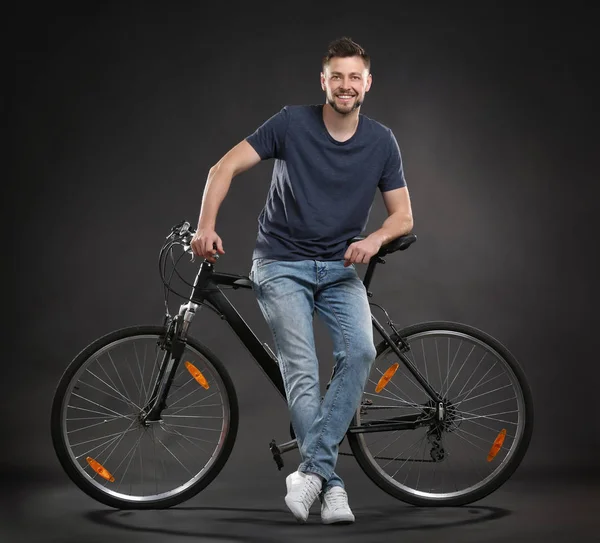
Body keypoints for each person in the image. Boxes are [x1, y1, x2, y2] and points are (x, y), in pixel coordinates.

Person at [191, 36, 414, 524]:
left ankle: (312, 473)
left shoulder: (381, 141)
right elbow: (223, 167)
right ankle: (331, 483)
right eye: (338, 76)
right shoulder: (291, 122)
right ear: (324, 81)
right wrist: (206, 225)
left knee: (359, 352)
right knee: (303, 369)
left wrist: (373, 240)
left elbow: (403, 217)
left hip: (339, 270)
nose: (346, 85)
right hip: (280, 263)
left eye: (355, 77)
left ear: (367, 83)